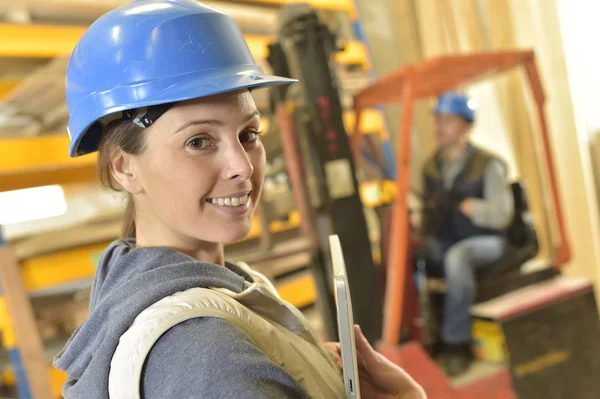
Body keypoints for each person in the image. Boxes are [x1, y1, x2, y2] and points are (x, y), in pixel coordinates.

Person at [53, 1, 426, 398]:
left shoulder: (177, 288)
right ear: (124, 168)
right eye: (199, 141)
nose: (243, 167)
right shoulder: (208, 354)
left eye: (249, 134)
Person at [419, 92, 514, 376]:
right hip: (450, 240)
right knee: (419, 255)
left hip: (489, 242)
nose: (439, 127)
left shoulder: (488, 165)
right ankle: (427, 333)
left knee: (457, 258)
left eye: (447, 121)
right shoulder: (431, 168)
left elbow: (502, 215)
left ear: (466, 126)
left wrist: (471, 206)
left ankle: (457, 343)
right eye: (438, 120)